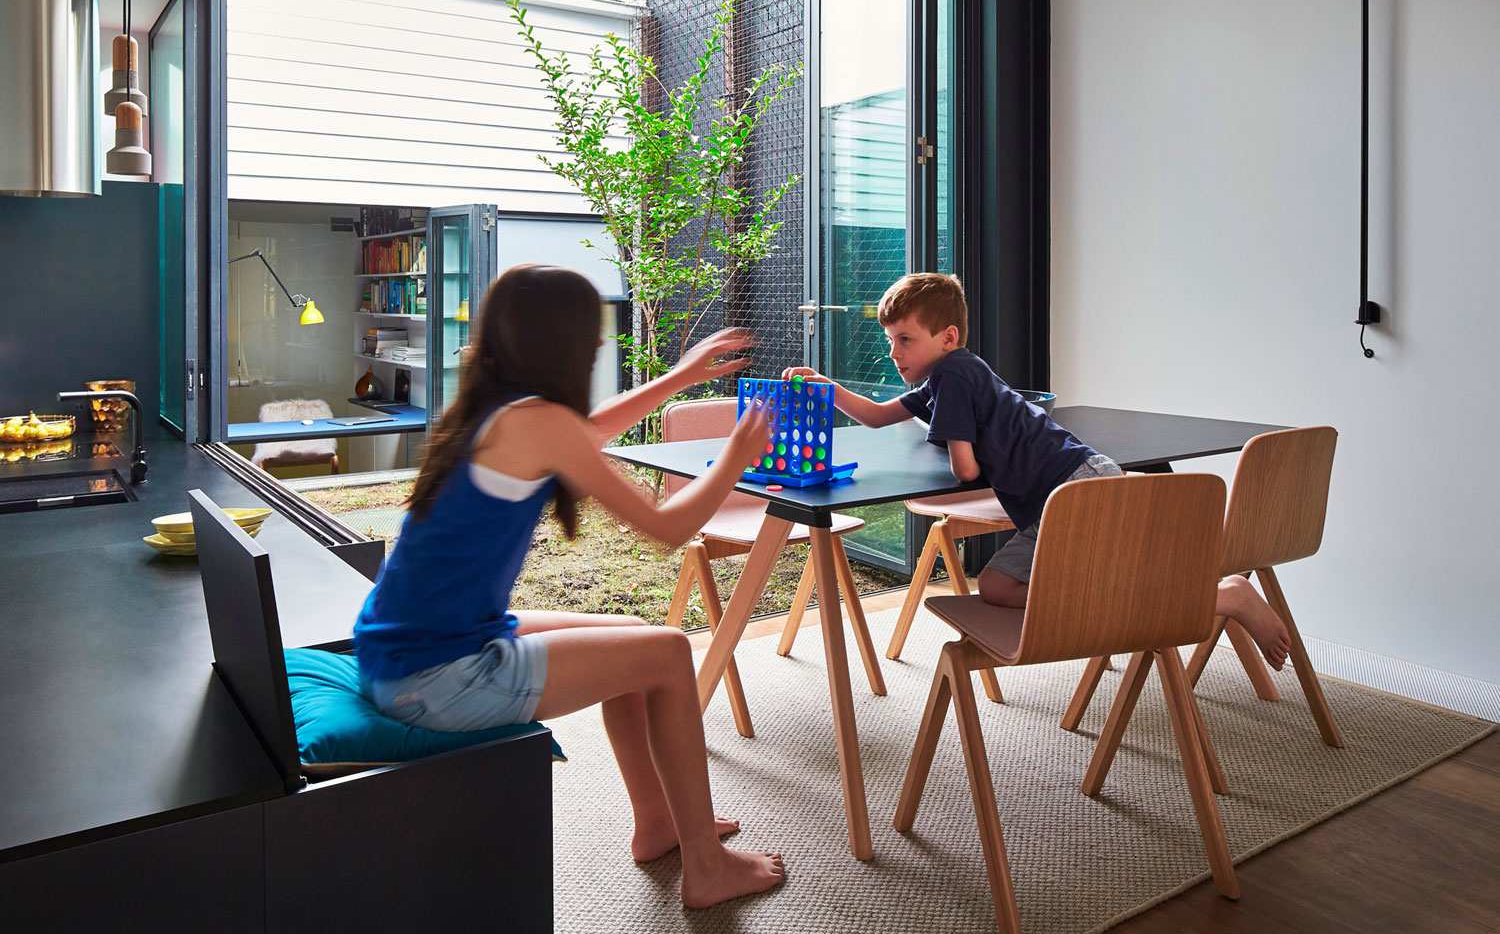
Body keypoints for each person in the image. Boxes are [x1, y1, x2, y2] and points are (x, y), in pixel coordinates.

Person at [353, 264, 784, 908]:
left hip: (411, 650)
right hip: (437, 676)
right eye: (594, 335)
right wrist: (735, 457)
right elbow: (668, 528)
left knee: (640, 640)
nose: (600, 347)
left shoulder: (498, 409)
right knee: (669, 654)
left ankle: (659, 823)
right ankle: (706, 867)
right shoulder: (540, 422)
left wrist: (681, 377)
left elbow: (587, 435)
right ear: (565, 342)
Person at [784, 272, 1292, 670]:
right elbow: (876, 416)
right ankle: (1162, 599)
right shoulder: (951, 374)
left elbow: (964, 471)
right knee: (1045, 586)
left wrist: (965, 444)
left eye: (905, 340)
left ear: (947, 336)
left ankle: (1225, 594)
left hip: (1074, 489)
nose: (893, 353)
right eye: (891, 341)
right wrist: (825, 386)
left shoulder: (954, 375)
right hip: (1069, 488)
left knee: (1072, 589)